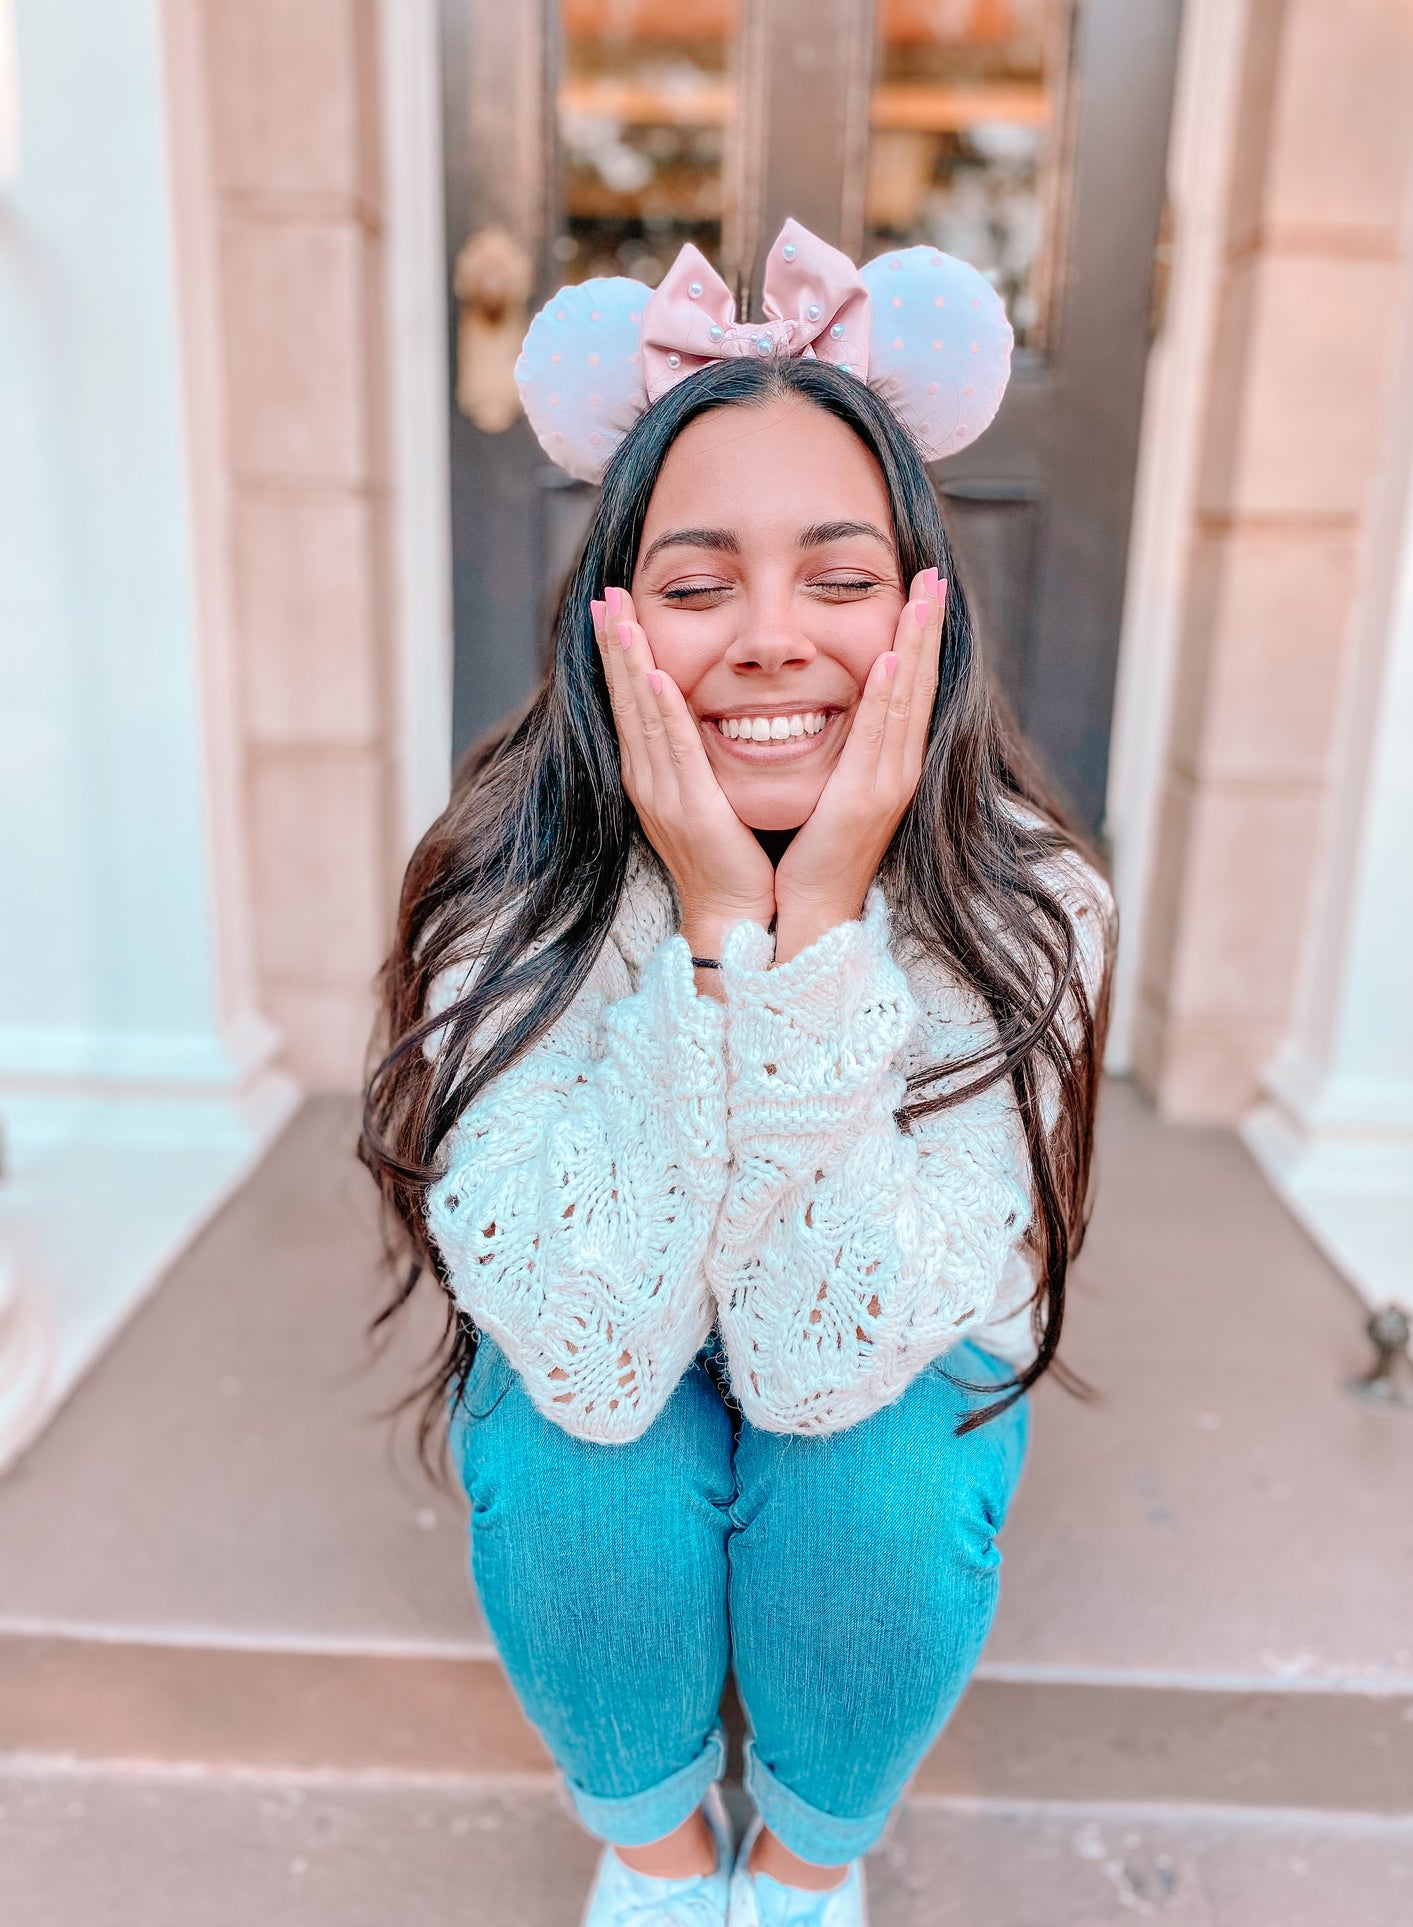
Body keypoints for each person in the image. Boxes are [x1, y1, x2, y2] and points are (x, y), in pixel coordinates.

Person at [361, 220, 1114, 1927]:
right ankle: (655, 1855)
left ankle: (794, 1867)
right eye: (698, 587)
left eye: (839, 580)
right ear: (611, 627)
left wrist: (824, 918)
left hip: (864, 1382)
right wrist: (714, 928)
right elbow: (591, 1345)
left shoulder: (1030, 899)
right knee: (575, 1443)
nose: (770, 637)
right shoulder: (507, 882)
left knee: (863, 1460)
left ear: (926, 614)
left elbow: (824, 1359)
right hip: (606, 1347)